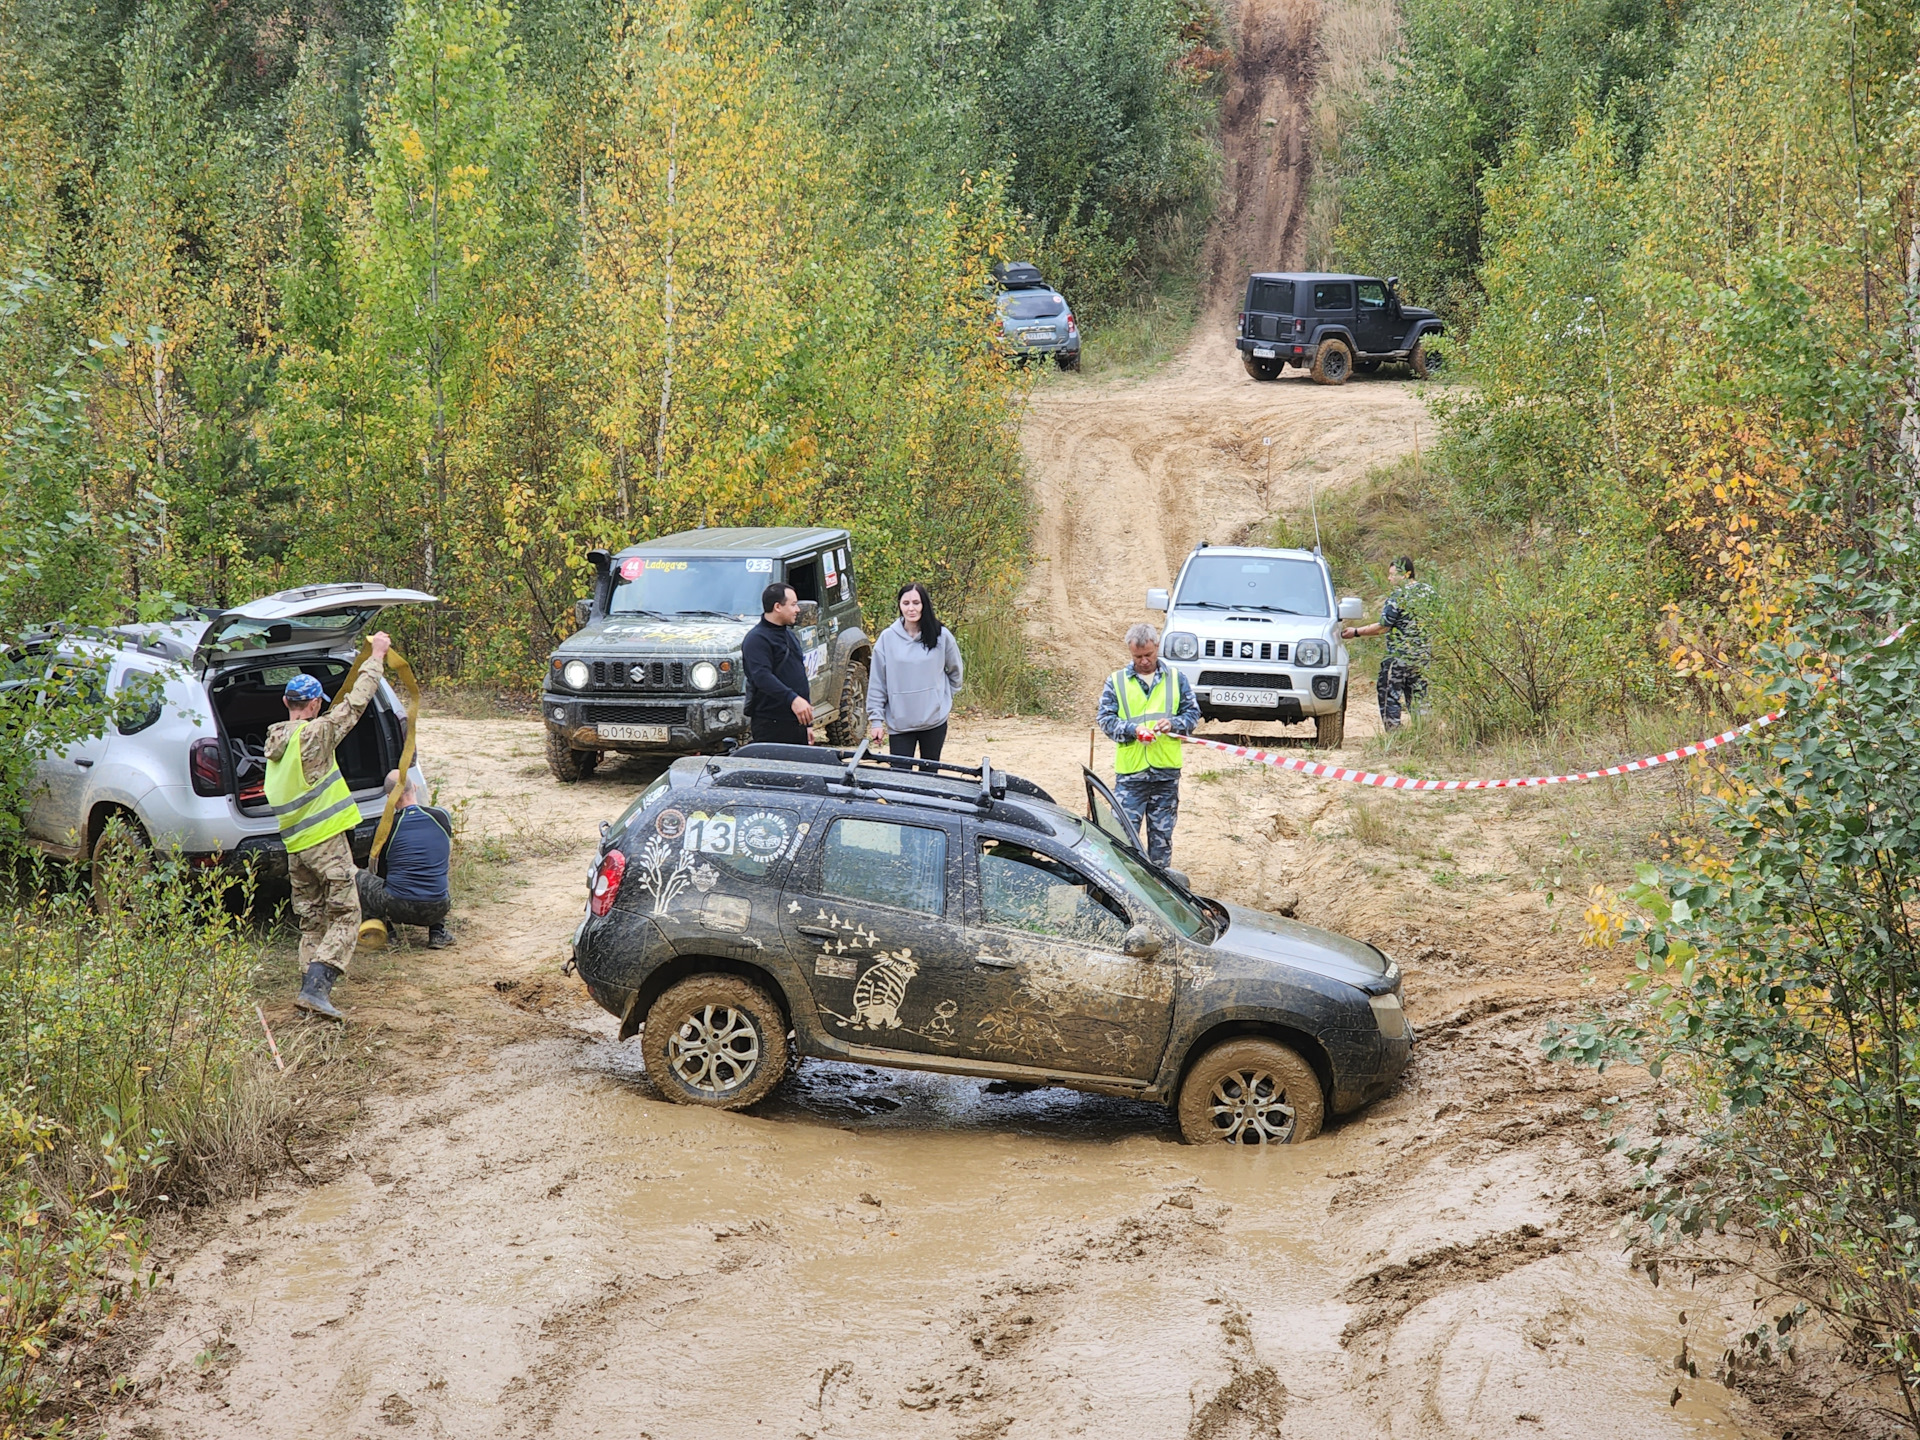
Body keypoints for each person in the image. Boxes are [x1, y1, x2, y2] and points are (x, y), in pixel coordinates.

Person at [266, 634, 390, 1020]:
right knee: (347, 915)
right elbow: (356, 702)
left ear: (287, 703)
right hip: (325, 843)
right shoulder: (316, 734)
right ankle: (318, 988)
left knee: (313, 918)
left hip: (295, 846)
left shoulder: (274, 741)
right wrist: (377, 656)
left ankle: (307, 993)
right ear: (316, 704)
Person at [1096, 622, 1200, 869]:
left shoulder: (1176, 679)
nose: (1144, 661)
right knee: (1122, 839)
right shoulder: (1117, 682)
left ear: (1157, 648)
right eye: (1138, 656)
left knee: (1161, 841)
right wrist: (1133, 730)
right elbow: (1105, 720)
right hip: (1131, 776)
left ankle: (1160, 889)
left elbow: (1192, 716)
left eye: (1148, 655)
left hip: (1165, 774)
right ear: (1130, 653)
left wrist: (1173, 724)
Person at [356, 771, 454, 950]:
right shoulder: (442, 816)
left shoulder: (386, 827)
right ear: (414, 787)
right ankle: (437, 933)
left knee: (358, 877)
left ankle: (388, 933)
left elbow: (381, 871)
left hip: (398, 907)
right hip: (439, 906)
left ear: (389, 797)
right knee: (436, 866)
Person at [867, 582, 964, 763]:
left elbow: (955, 671)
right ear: (899, 605)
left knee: (930, 775)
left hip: (934, 721)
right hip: (900, 723)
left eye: (916, 603)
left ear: (924, 605)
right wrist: (876, 721)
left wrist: (941, 696)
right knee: (900, 778)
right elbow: (877, 682)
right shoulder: (887, 638)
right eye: (906, 603)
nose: (911, 608)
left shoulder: (941, 636)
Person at [1341, 555, 1434, 730]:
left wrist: (1356, 632)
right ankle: (1425, 732)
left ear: (1405, 574)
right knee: (1419, 695)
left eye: (1392, 574)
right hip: (1422, 656)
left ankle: (1394, 734)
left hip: (1399, 656)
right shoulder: (1429, 592)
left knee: (1388, 694)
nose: (1389, 578)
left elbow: (1383, 627)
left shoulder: (1398, 596)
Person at [742, 581, 813, 746]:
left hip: (797, 723)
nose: (798, 609)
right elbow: (762, 677)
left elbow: (799, 677)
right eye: (793, 604)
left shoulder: (790, 636)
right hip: (771, 724)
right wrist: (793, 699)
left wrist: (808, 724)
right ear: (777, 607)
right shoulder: (757, 639)